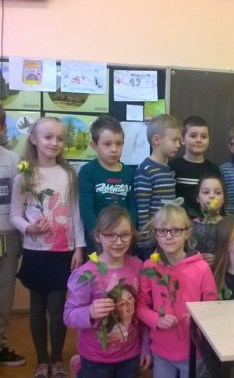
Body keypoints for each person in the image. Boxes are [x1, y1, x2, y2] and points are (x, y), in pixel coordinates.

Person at [10, 117, 85, 378]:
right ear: (34, 139)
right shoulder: (25, 175)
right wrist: (29, 228)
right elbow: (15, 215)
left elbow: (74, 213)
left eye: (60, 138)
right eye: (48, 137)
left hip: (62, 252)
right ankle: (42, 360)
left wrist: (79, 248)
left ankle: (57, 360)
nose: (54, 143)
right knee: (37, 309)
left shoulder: (68, 174)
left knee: (57, 309)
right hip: (35, 252)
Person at [64, 205, 151, 378]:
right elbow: (68, 315)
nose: (118, 241)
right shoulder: (85, 274)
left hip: (130, 355)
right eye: (110, 235)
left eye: (125, 234)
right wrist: (89, 312)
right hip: (95, 358)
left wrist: (145, 346)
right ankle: (80, 368)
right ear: (98, 236)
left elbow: (142, 310)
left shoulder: (138, 266)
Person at [137, 204, 217, 378]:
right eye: (162, 230)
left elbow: (212, 306)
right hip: (161, 351)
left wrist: (197, 318)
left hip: (194, 351)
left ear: (187, 233)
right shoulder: (150, 267)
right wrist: (156, 319)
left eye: (176, 230)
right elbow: (141, 306)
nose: (168, 236)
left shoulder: (201, 268)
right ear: (155, 234)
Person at [78, 115, 137, 254]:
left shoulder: (129, 173)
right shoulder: (88, 171)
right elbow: (87, 210)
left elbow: (133, 208)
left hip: (123, 242)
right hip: (97, 244)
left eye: (119, 143)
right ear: (94, 145)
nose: (114, 149)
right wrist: (101, 237)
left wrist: (127, 234)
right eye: (107, 144)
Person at [134, 114, 182, 260]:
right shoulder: (146, 170)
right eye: (174, 140)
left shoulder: (167, 168)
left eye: (179, 140)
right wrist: (145, 240)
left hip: (167, 236)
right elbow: (142, 209)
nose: (178, 145)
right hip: (150, 242)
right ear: (156, 140)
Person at [0, 106, 25, 367]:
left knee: (4, 294)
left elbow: (21, 203)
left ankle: (0, 344)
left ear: (2, 128)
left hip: (7, 235)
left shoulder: (14, 160)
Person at [169, 116, 220, 219]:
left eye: (204, 137)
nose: (199, 140)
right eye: (193, 136)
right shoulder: (172, 166)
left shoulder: (213, 170)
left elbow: (218, 200)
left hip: (206, 222)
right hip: (179, 222)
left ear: (209, 140)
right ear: (182, 140)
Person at [188, 174, 225, 265]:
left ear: (224, 198)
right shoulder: (189, 226)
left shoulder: (231, 225)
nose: (212, 196)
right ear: (197, 197)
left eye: (217, 193)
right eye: (205, 192)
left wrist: (220, 259)